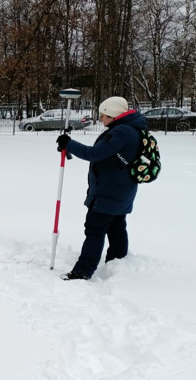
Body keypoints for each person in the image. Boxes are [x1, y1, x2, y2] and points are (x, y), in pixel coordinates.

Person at [55, 96, 147, 281]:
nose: (101, 119)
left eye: (103, 115)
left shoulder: (122, 132)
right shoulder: (130, 128)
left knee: (95, 230)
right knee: (116, 227)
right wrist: (70, 148)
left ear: (113, 115)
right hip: (121, 190)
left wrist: (69, 143)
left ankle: (82, 271)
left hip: (109, 193)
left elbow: (95, 154)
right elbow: (108, 156)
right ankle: (118, 264)